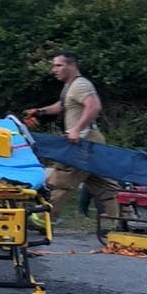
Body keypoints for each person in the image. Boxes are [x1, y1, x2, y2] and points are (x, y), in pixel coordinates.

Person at [25, 51, 117, 220]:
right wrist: (39, 111)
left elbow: (94, 106)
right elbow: (62, 105)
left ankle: (42, 218)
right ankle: (122, 219)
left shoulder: (81, 85)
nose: (54, 69)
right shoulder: (71, 86)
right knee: (102, 183)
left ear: (72, 65)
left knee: (62, 180)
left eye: (59, 65)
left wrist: (76, 129)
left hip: (82, 140)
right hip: (89, 139)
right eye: (53, 65)